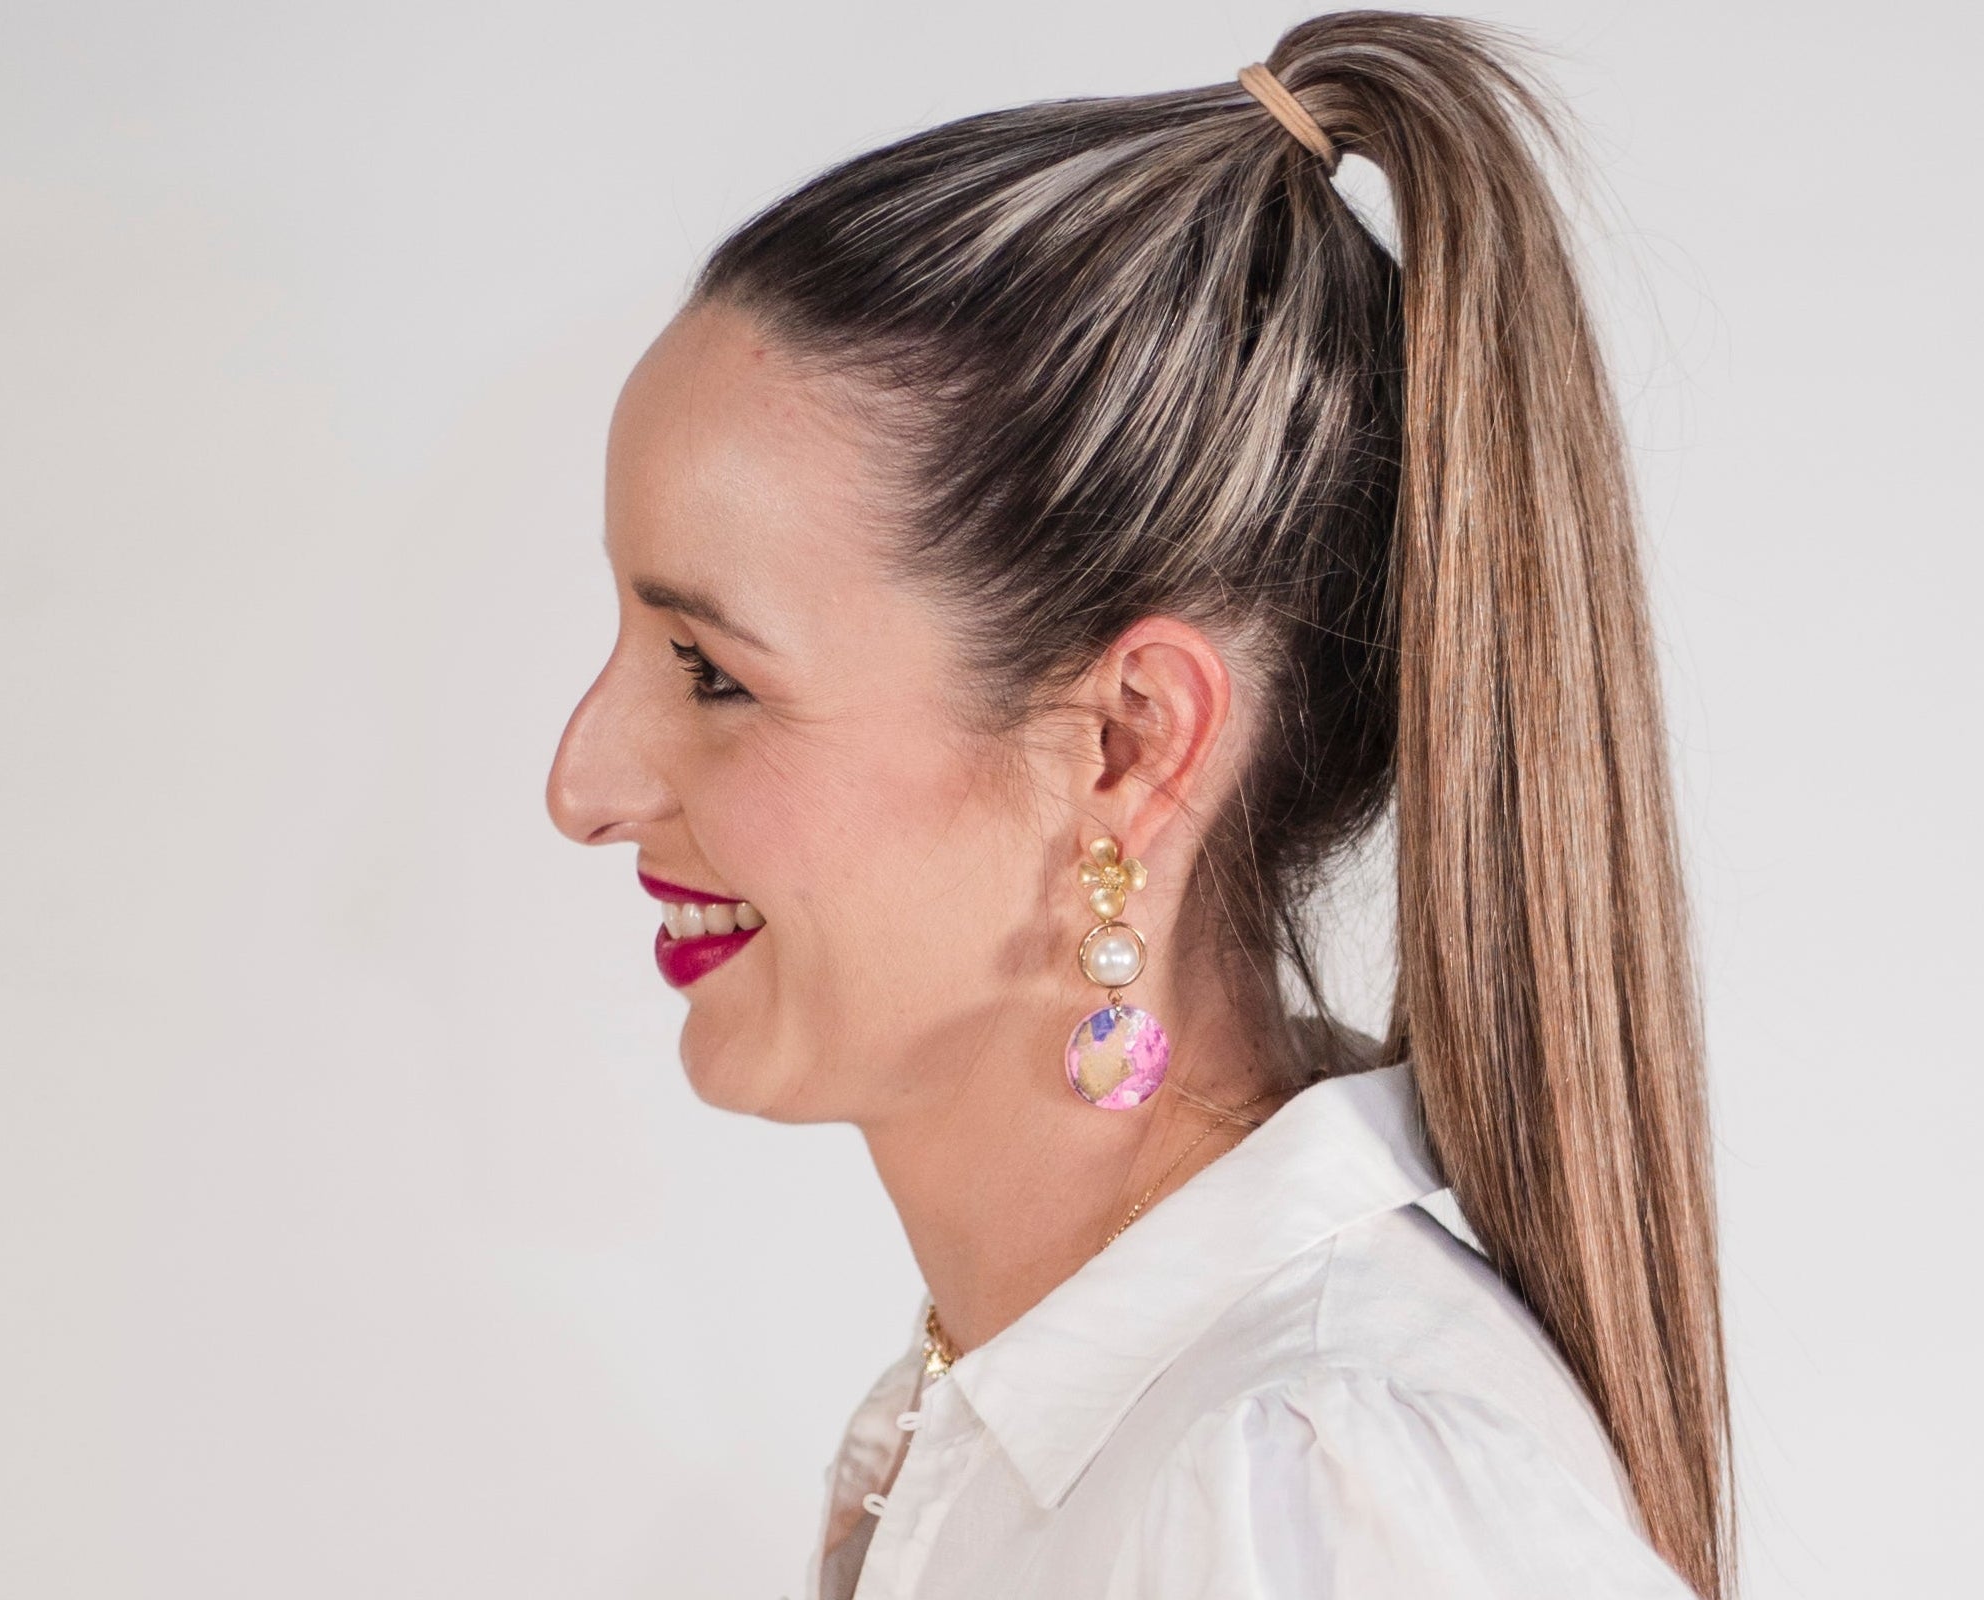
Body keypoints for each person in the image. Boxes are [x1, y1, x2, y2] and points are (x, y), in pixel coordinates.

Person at [546, 9, 1733, 1597]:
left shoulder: (1303, 1478)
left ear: (1124, 745)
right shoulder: (1028, 1424)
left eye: (710, 671)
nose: (582, 783)